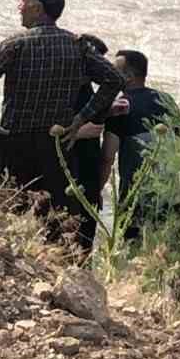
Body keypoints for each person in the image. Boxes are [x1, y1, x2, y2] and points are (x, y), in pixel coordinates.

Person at [0, 0, 123, 244]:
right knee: (56, 223)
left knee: (7, 217)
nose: (20, 7)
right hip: (58, 146)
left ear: (37, 8)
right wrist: (80, 119)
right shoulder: (77, 45)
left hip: (13, 143)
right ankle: (57, 276)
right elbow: (114, 80)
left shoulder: (14, 44)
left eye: (23, 1)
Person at [112, 48, 180, 263]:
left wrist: (97, 187)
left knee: (129, 250)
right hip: (168, 189)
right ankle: (179, 296)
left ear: (129, 75)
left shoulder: (121, 106)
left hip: (134, 191)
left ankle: (134, 292)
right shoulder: (165, 99)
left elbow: (109, 154)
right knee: (174, 251)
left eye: (117, 71)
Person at [61, 34, 128, 255]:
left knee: (86, 228)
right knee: (73, 225)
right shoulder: (67, 89)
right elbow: (51, 131)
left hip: (88, 166)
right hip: (73, 165)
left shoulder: (90, 89)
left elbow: (92, 116)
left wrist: (108, 112)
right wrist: (80, 132)